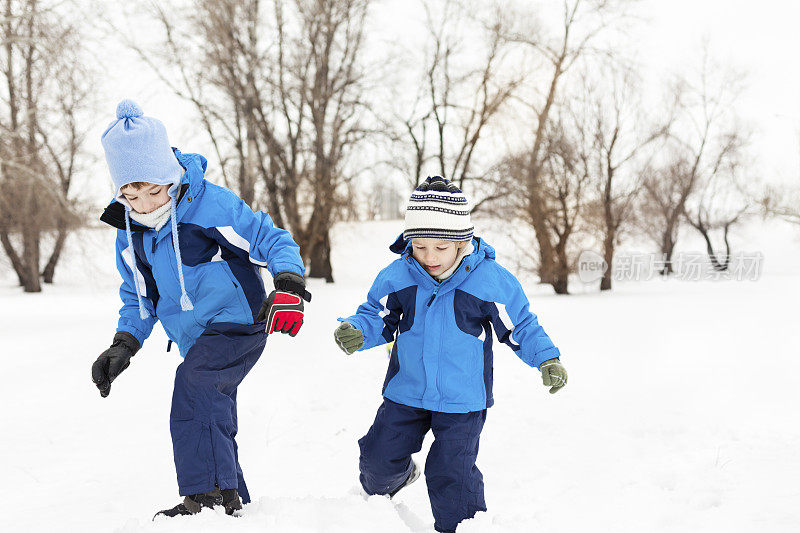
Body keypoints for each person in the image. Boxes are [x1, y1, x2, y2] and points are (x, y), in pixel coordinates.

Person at [90, 99, 311, 518]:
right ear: (120, 191)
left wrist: (288, 282)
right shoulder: (130, 233)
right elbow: (140, 298)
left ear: (171, 178)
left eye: (155, 190)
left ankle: (208, 499)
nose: (147, 203)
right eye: (132, 194)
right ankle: (233, 500)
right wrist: (124, 344)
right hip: (195, 337)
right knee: (210, 402)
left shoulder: (210, 205)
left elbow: (270, 238)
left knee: (196, 385)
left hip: (239, 321)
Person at [333, 176, 568, 532]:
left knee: (451, 476)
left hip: (462, 400)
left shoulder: (490, 281)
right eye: (420, 246)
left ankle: (462, 527)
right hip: (406, 391)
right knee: (378, 461)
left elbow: (520, 326)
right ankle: (393, 481)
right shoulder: (398, 276)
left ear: (462, 242)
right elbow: (376, 315)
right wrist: (357, 331)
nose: (429, 257)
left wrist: (546, 358)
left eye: (441, 247)